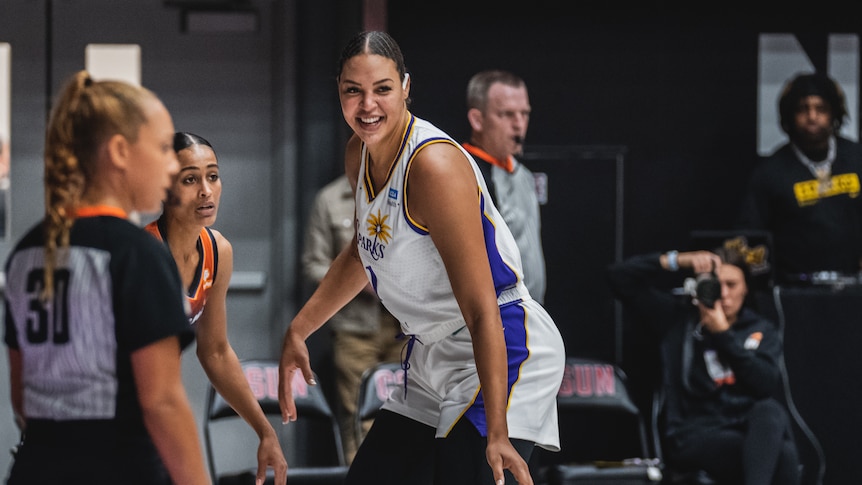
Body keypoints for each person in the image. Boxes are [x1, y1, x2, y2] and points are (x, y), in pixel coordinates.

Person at [278, 31, 565, 485]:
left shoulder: (433, 166)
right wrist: (300, 327)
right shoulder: (360, 152)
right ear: (339, 91)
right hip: (434, 350)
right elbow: (362, 251)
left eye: (382, 89)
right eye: (353, 90)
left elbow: (481, 306)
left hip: (501, 342)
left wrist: (497, 429)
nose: (367, 105)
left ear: (406, 87)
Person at [3, 70, 209, 484]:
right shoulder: (138, 254)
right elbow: (162, 402)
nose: (172, 165)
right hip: (121, 469)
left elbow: (22, 398)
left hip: (35, 470)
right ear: (120, 151)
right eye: (163, 149)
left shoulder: (26, 251)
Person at [144, 132, 288, 484]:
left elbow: (216, 352)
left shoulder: (217, 250)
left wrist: (265, 431)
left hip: (157, 414)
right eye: (190, 179)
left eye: (213, 175)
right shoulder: (143, 254)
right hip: (120, 418)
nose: (206, 190)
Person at [607, 244, 801, 485]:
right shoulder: (677, 319)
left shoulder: (759, 329)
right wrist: (679, 260)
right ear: (700, 287)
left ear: (746, 289)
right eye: (716, 285)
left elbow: (764, 385)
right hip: (694, 432)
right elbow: (619, 277)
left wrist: (723, 334)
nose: (725, 294)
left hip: (746, 426)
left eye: (732, 285)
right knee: (782, 453)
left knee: (770, 411)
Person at [301, 172, 403, 464]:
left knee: (408, 418)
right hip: (355, 329)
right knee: (360, 419)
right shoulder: (330, 199)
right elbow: (312, 265)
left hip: (404, 327)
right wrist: (356, 281)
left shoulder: (401, 193)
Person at [736, 72, 862, 284]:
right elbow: (749, 237)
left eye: (821, 109)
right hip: (794, 289)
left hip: (854, 286)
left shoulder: (857, 158)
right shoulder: (770, 172)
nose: (812, 117)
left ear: (834, 113)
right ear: (789, 116)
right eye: (803, 109)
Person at [462, 70, 546, 304]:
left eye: (524, 114)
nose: (519, 124)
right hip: (492, 315)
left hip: (529, 314)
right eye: (507, 114)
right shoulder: (463, 174)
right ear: (477, 120)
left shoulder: (523, 174)